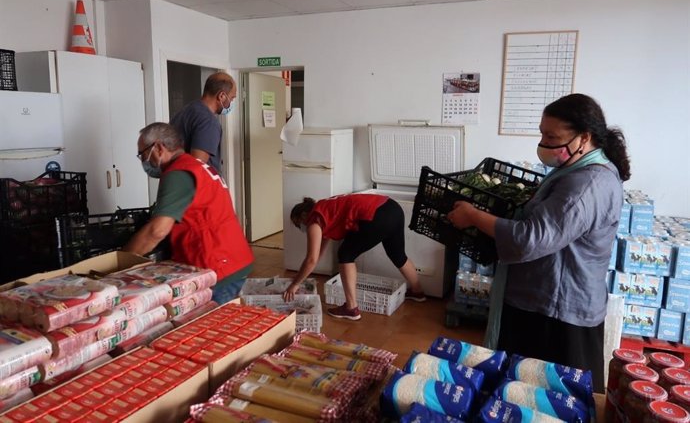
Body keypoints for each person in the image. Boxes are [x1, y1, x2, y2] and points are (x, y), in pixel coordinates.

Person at [447, 93, 630, 392]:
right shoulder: (576, 169)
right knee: (522, 391)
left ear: (584, 138)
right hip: (543, 299)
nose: (544, 143)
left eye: (552, 136)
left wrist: (474, 216)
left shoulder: (587, 184)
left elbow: (530, 239)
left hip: (556, 312)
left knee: (546, 395)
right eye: (542, 133)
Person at [123, 122, 253, 304]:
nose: (144, 161)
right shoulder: (195, 165)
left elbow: (157, 231)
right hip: (232, 256)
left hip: (216, 263)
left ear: (159, 148)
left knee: (211, 326)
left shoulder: (178, 174)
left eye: (143, 154)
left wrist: (122, 261)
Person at [283, 194, 426, 321]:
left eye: (299, 224)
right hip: (392, 208)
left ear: (303, 215)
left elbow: (311, 259)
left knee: (345, 254)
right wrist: (302, 277)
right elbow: (316, 255)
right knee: (398, 255)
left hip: (376, 215)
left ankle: (351, 309)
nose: (301, 227)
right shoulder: (323, 210)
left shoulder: (314, 220)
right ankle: (417, 292)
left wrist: (294, 284)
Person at [170, 72, 236, 174]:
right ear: (222, 96)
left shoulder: (187, 110)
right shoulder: (208, 122)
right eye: (232, 98)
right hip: (195, 187)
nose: (232, 102)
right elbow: (196, 169)